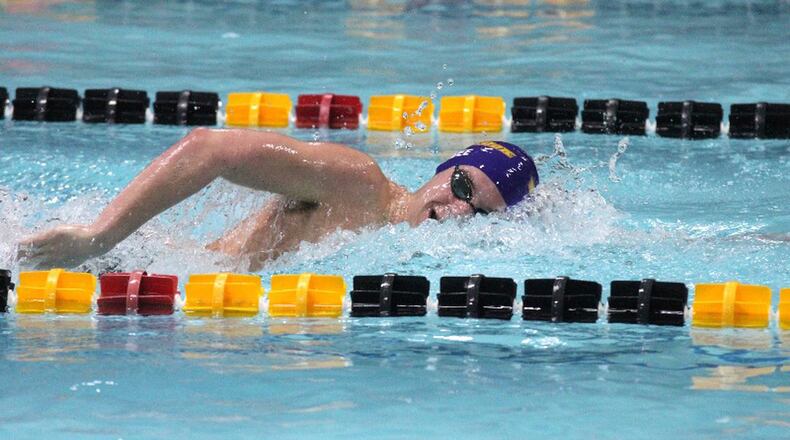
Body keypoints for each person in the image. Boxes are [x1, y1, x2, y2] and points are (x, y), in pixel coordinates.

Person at [18, 129, 539, 271]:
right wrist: (98, 237)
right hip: (127, 264)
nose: (456, 210)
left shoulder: (407, 255)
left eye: (479, 212)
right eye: (463, 187)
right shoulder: (358, 183)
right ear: (443, 169)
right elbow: (211, 149)